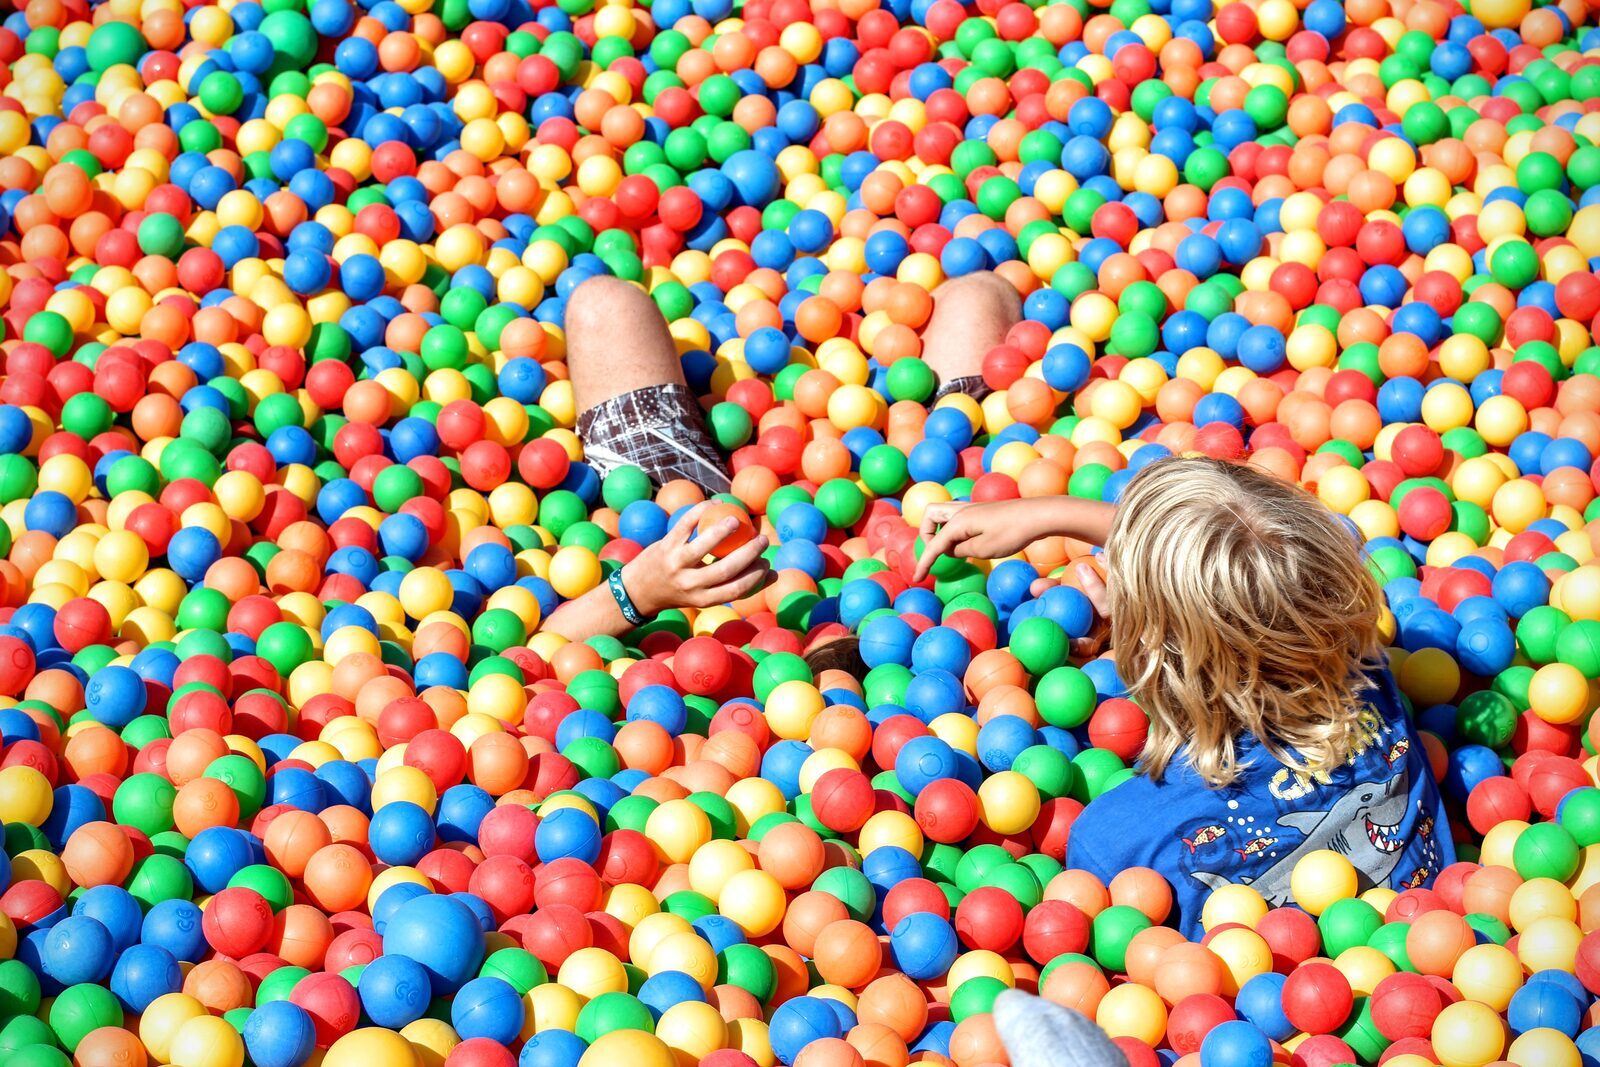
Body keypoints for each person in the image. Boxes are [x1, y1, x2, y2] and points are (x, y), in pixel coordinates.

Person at [914, 457, 1452, 937]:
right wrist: (1052, 517)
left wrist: (1059, 523)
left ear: (1155, 661)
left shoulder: (1119, 842)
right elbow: (1271, 560)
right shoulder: (1364, 666)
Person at [540, 270, 1022, 642]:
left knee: (601, 303)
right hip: (926, 510)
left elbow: (531, 656)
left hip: (676, 539)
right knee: (982, 293)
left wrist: (641, 588)